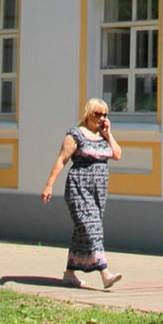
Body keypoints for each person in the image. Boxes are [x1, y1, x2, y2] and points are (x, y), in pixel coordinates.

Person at [40, 98, 124, 289]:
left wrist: (109, 134)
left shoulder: (103, 136)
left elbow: (117, 155)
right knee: (93, 227)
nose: (101, 118)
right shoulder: (75, 135)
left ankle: (69, 273)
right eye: (97, 114)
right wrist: (49, 185)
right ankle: (105, 273)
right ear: (88, 114)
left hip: (98, 191)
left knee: (83, 231)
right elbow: (61, 160)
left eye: (105, 114)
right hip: (79, 187)